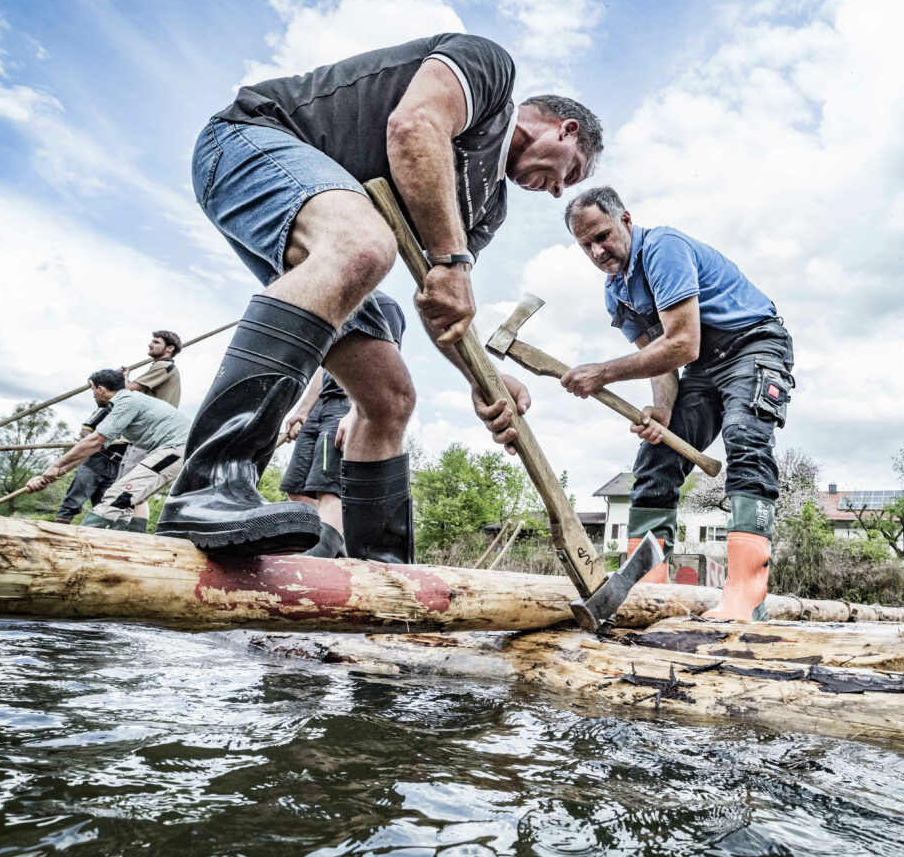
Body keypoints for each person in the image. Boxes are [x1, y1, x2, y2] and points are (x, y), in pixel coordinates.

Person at [157, 33, 602, 560]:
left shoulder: (487, 206)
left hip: (326, 235)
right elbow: (414, 127)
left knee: (390, 399)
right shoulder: (489, 71)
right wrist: (452, 260)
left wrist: (483, 377)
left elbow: (443, 300)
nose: (557, 191)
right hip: (247, 143)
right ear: (563, 128)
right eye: (569, 173)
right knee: (364, 245)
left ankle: (381, 570)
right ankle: (209, 486)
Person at [559, 187, 795, 622]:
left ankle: (746, 596)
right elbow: (660, 360)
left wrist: (604, 373)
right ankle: (650, 592)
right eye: (585, 245)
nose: (597, 250)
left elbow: (683, 343)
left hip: (751, 345)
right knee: (656, 456)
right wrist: (663, 412)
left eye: (603, 235)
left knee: (745, 438)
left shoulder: (663, 250)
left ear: (626, 220)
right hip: (702, 368)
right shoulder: (616, 292)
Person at [281, 292, 407, 558]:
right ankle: (336, 550)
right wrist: (303, 411)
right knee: (297, 489)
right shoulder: (337, 312)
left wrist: (356, 411)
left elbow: (385, 367)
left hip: (344, 402)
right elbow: (322, 369)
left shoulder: (384, 306)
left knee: (329, 488)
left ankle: (318, 559)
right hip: (320, 409)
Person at [28, 370, 191, 531]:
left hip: (176, 449)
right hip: (174, 451)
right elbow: (93, 448)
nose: (93, 395)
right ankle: (119, 544)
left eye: (92, 390)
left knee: (118, 495)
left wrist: (54, 466)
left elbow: (94, 441)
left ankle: (80, 545)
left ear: (100, 389)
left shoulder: (127, 401)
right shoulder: (123, 406)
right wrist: (50, 476)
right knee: (127, 502)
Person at [114, 330, 184, 530]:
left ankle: (121, 531)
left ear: (169, 348)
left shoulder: (163, 366)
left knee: (127, 484)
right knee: (139, 487)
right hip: (157, 435)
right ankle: (135, 533)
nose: (150, 345)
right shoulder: (162, 367)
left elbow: (128, 391)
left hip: (152, 433)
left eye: (155, 342)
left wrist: (122, 378)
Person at [52, 404, 128, 524]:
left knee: (104, 510)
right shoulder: (110, 407)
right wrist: (95, 443)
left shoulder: (141, 414)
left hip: (118, 466)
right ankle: (58, 533)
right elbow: (86, 429)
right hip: (95, 460)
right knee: (72, 503)